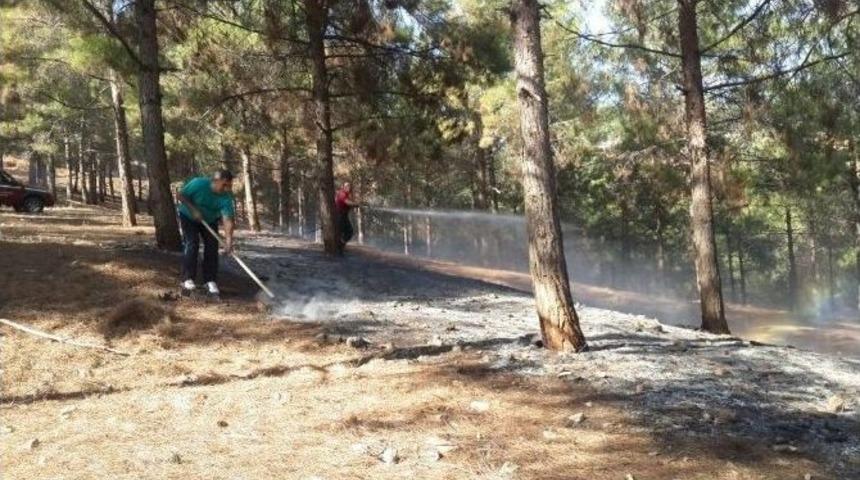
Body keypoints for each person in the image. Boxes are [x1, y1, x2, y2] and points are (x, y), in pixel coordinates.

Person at [177, 169, 236, 297]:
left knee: (212, 246)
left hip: (209, 220)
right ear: (216, 180)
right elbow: (181, 195)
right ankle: (187, 279)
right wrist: (193, 209)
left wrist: (228, 241)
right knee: (192, 243)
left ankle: (210, 281)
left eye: (229, 185)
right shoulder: (198, 183)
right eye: (224, 185)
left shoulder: (226, 197)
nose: (227, 188)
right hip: (188, 215)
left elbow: (227, 220)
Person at [334, 181, 359, 247]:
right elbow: (348, 203)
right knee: (346, 232)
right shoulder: (342, 194)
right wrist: (356, 204)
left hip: (343, 216)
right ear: (343, 187)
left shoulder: (345, 194)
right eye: (347, 186)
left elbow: (348, 204)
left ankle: (341, 245)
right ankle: (340, 246)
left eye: (349, 186)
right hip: (340, 216)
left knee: (348, 232)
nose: (349, 188)